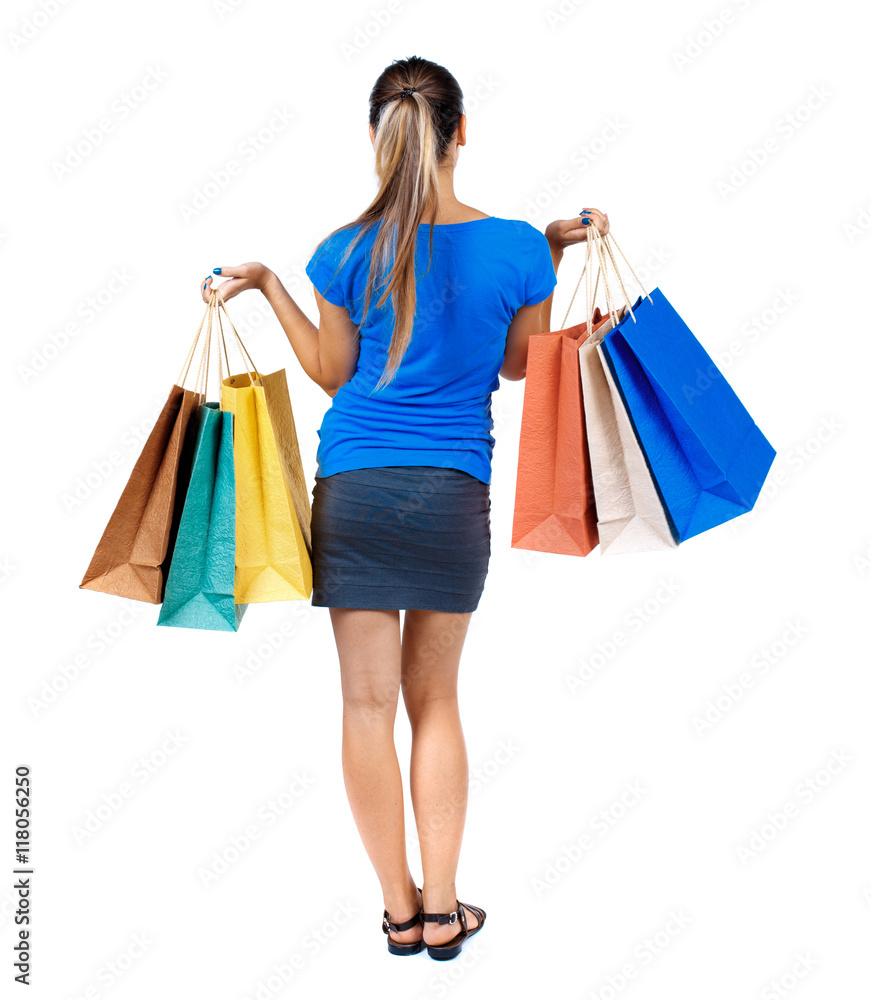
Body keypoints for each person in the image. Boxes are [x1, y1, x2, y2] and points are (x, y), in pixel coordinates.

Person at [201, 54, 609, 961]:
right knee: (435, 702)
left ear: (377, 138)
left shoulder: (339, 251)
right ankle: (445, 907)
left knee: (362, 706)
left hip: (354, 490)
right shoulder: (510, 247)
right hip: (451, 494)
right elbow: (516, 364)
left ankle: (400, 910)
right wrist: (543, 252)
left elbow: (333, 374)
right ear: (461, 132)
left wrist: (269, 284)